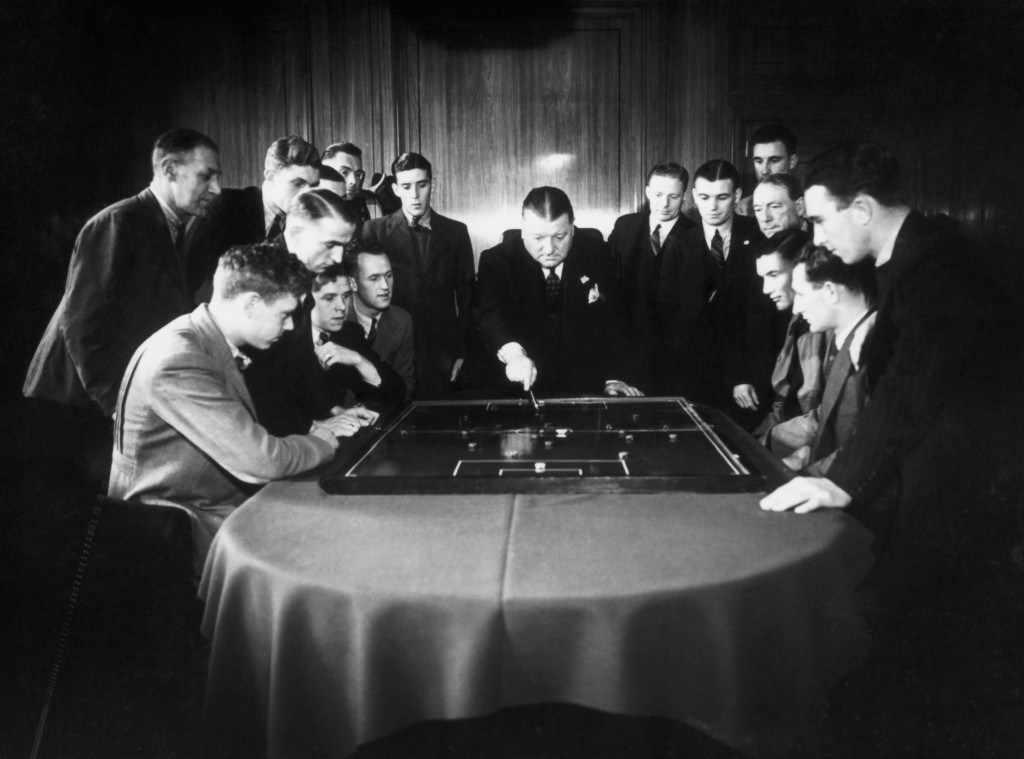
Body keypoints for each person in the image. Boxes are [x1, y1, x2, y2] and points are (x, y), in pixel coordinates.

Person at [760, 142, 1019, 575]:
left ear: (861, 209)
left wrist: (840, 482)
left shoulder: (939, 264)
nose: (818, 239)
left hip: (961, 492)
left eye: (822, 221)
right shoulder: (911, 256)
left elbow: (910, 388)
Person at [108, 243, 374, 564]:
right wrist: (324, 441)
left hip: (205, 507)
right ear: (250, 304)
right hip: (175, 532)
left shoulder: (202, 339)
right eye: (285, 315)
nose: (291, 327)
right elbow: (262, 462)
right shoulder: (180, 359)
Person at [24, 128, 223, 432]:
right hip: (73, 401)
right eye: (206, 176)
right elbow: (82, 325)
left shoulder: (176, 226)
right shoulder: (118, 222)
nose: (217, 188)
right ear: (169, 169)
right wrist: (118, 405)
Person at [472, 186, 641, 397]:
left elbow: (614, 320)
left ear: (572, 227)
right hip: (518, 389)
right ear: (523, 229)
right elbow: (490, 316)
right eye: (538, 238)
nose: (550, 249)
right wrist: (514, 356)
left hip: (582, 385)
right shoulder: (497, 260)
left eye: (559, 236)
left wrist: (613, 377)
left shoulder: (597, 253)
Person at [241, 189, 362, 436]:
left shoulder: (301, 268)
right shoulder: (261, 276)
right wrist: (311, 425)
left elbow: (302, 360)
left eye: (343, 246)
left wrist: (332, 410)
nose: (338, 257)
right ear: (296, 233)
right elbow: (252, 382)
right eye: (330, 244)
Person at [655, 160, 767, 417]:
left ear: (737, 195)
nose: (713, 207)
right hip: (694, 377)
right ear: (693, 196)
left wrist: (743, 374)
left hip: (749, 379)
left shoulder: (759, 236)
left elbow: (763, 317)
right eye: (704, 197)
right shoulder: (677, 244)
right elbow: (667, 316)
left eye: (722, 197)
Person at [362, 152, 475, 399]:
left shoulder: (456, 232)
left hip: (442, 352)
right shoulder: (374, 231)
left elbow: (468, 298)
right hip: (391, 348)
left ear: (432, 185)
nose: (414, 195)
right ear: (395, 189)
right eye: (406, 186)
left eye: (421, 185)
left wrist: (464, 352)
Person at [765, 244, 876, 474]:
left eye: (802, 294)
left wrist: (809, 473)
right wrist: (805, 455)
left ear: (830, 292)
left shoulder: (870, 347)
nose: (796, 307)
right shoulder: (846, 341)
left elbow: (870, 446)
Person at [608, 161, 695, 388]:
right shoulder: (624, 226)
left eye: (673, 196)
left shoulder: (695, 235)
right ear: (647, 192)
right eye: (658, 194)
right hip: (626, 351)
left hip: (674, 358)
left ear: (685, 196)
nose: (664, 204)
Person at [751, 229, 828, 446]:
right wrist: (752, 442)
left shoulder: (826, 326)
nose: (766, 289)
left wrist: (764, 444)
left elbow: (829, 417)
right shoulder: (797, 321)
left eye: (774, 275)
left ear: (800, 270)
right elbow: (784, 402)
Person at [307, 263, 407, 411]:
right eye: (329, 298)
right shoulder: (284, 339)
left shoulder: (350, 333)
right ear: (305, 299)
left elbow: (398, 392)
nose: (341, 306)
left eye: (346, 296)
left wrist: (359, 361)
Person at [342, 242, 416, 399]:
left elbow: (406, 388)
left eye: (388, 276)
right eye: (374, 278)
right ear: (352, 283)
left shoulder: (402, 321)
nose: (385, 286)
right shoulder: (335, 318)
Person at [219, 135, 321, 247]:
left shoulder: (312, 223)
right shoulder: (225, 206)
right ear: (271, 177)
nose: (307, 194)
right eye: (298, 184)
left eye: (313, 186)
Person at [736, 124, 799, 217]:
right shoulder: (741, 210)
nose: (765, 170)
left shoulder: (812, 208)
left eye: (774, 160)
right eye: (759, 161)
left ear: (792, 162)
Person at [321, 141, 385, 221]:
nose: (354, 181)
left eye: (357, 174)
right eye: (344, 172)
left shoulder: (356, 207)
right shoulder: (308, 212)